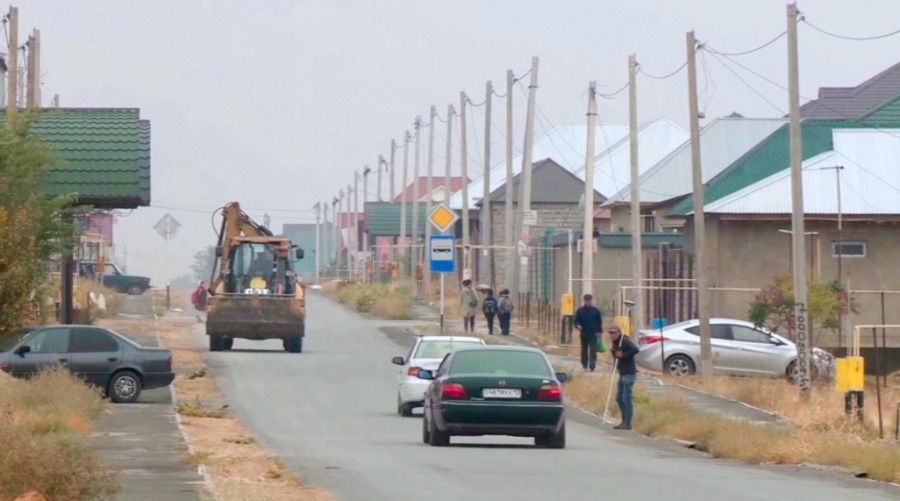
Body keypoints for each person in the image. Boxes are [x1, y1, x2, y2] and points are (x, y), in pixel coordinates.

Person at [609, 324, 639, 430]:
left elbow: (635, 349)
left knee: (626, 398)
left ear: (619, 333)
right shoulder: (615, 343)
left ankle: (628, 422)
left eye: (614, 333)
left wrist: (624, 355)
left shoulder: (624, 341)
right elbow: (616, 355)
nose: (612, 335)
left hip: (629, 373)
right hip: (622, 373)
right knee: (619, 398)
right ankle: (624, 420)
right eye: (610, 333)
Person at [573, 293, 602, 371]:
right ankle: (584, 363)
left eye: (589, 301)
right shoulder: (580, 311)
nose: (588, 302)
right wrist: (578, 326)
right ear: (584, 301)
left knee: (593, 350)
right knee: (584, 349)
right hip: (584, 333)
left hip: (593, 333)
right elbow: (576, 321)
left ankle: (592, 365)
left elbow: (599, 322)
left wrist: (599, 332)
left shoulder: (595, 311)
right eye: (586, 300)